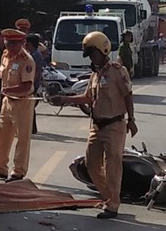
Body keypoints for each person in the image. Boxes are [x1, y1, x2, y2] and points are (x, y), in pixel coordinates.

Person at [52, 30, 137, 219]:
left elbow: (128, 95)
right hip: (97, 126)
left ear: (103, 50)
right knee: (91, 165)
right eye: (90, 55)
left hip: (114, 125)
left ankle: (112, 205)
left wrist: (131, 120)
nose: (92, 58)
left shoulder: (118, 71)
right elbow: (88, 98)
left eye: (94, 53)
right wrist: (64, 99)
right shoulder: (96, 75)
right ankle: (109, 198)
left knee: (112, 166)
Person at [0, 27, 37, 181]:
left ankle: (18, 171)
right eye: (7, 44)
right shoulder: (5, 56)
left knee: (22, 138)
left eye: (13, 44)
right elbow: (2, 73)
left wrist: (8, 89)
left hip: (22, 102)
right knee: (2, 136)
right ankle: (0, 168)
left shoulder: (27, 61)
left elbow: (27, 85)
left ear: (22, 43)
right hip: (7, 101)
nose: (10, 47)